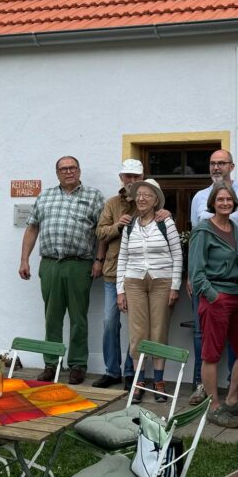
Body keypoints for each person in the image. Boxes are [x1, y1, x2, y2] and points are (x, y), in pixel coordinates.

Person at [18, 155, 104, 385]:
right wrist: (24, 259)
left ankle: (77, 365)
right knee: (52, 316)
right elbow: (32, 228)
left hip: (79, 264)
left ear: (79, 171)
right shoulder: (45, 196)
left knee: (78, 317)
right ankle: (51, 364)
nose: (69, 172)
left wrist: (99, 260)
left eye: (73, 168)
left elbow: (102, 232)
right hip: (50, 263)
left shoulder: (93, 196)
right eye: (64, 169)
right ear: (57, 173)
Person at [187, 149, 238, 405]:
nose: (225, 203)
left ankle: (232, 399)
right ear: (212, 204)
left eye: (229, 201)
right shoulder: (204, 228)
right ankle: (214, 405)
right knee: (211, 353)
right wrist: (212, 295)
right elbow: (196, 269)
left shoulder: (237, 228)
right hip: (216, 296)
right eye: (220, 201)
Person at [116, 179, 182, 403]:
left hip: (161, 282)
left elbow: (177, 255)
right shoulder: (129, 225)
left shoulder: (166, 223)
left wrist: (175, 286)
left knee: (159, 331)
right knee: (137, 333)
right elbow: (122, 258)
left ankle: (159, 381)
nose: (142, 198)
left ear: (156, 200)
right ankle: (139, 382)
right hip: (133, 282)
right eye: (139, 195)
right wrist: (120, 291)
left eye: (148, 195)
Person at [92, 159, 145, 389]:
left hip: (138, 275)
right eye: (128, 176)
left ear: (142, 177)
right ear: (121, 178)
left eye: (135, 176)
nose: (131, 180)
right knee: (109, 323)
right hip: (113, 274)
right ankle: (112, 371)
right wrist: (118, 226)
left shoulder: (149, 200)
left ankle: (131, 373)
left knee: (136, 326)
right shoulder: (112, 203)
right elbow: (100, 232)